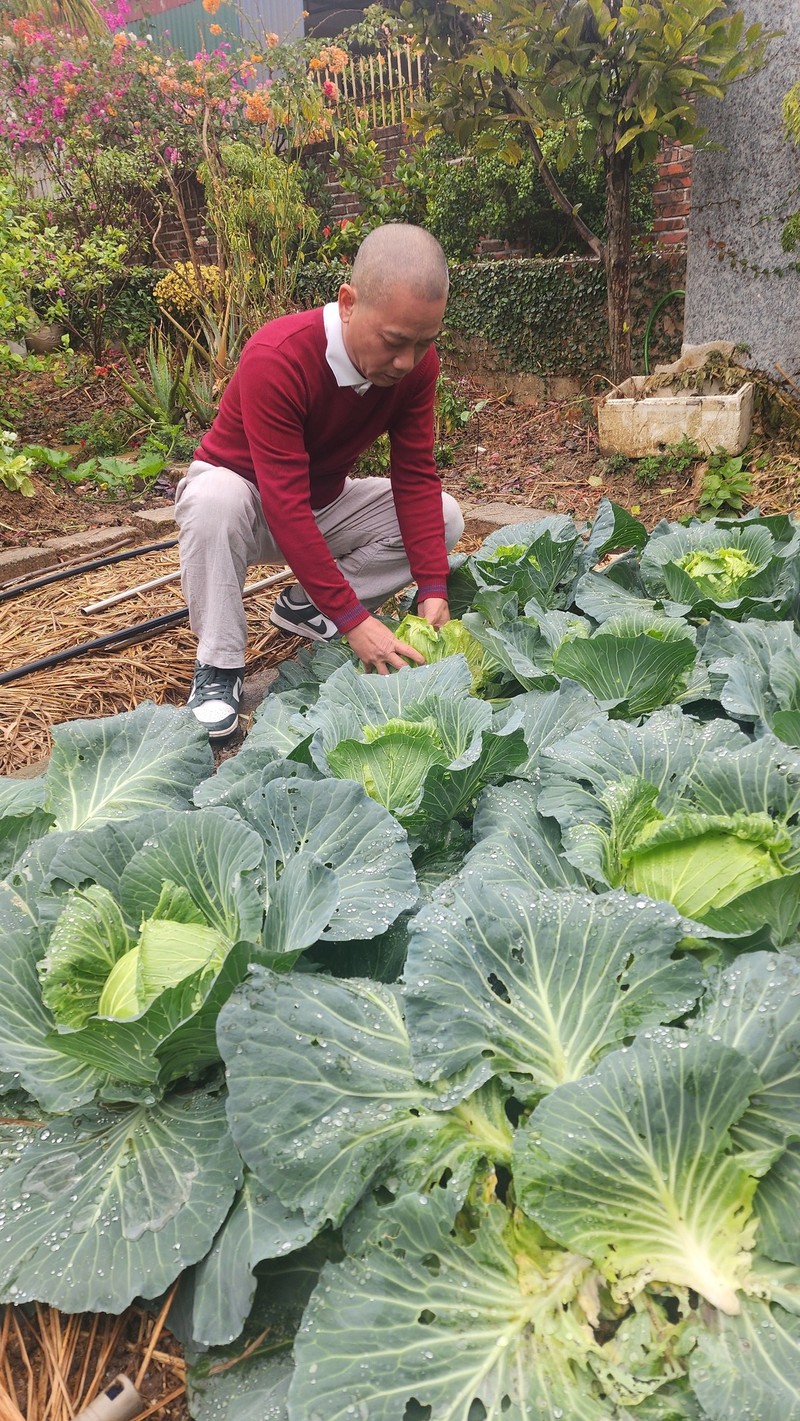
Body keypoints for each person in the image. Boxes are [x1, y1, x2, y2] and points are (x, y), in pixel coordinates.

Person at [176, 222, 464, 739]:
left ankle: (309, 607)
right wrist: (356, 623)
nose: (408, 362)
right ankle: (219, 668)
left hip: (321, 504)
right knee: (212, 498)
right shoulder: (279, 356)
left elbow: (415, 473)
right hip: (249, 502)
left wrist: (433, 585)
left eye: (425, 343)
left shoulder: (416, 368)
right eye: (396, 342)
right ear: (348, 302)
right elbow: (282, 503)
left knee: (445, 515)